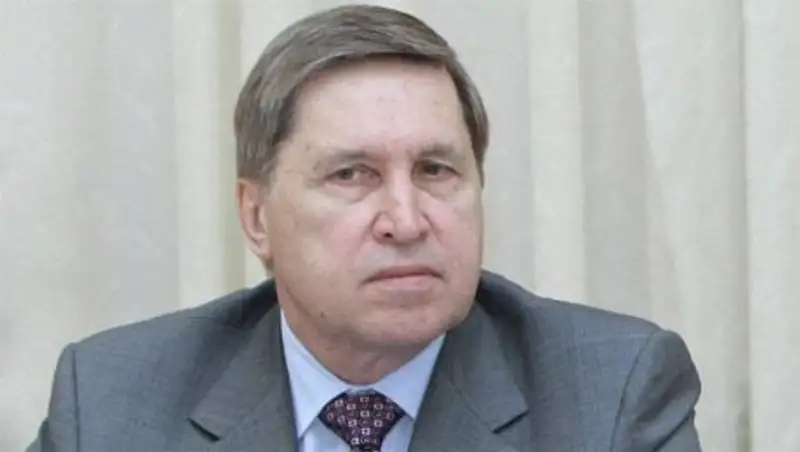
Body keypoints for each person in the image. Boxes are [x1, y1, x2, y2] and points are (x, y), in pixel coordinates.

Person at [27, 5, 702, 452]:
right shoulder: (114, 404)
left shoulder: (610, 395)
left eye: (436, 170)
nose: (406, 221)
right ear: (256, 217)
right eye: (351, 175)